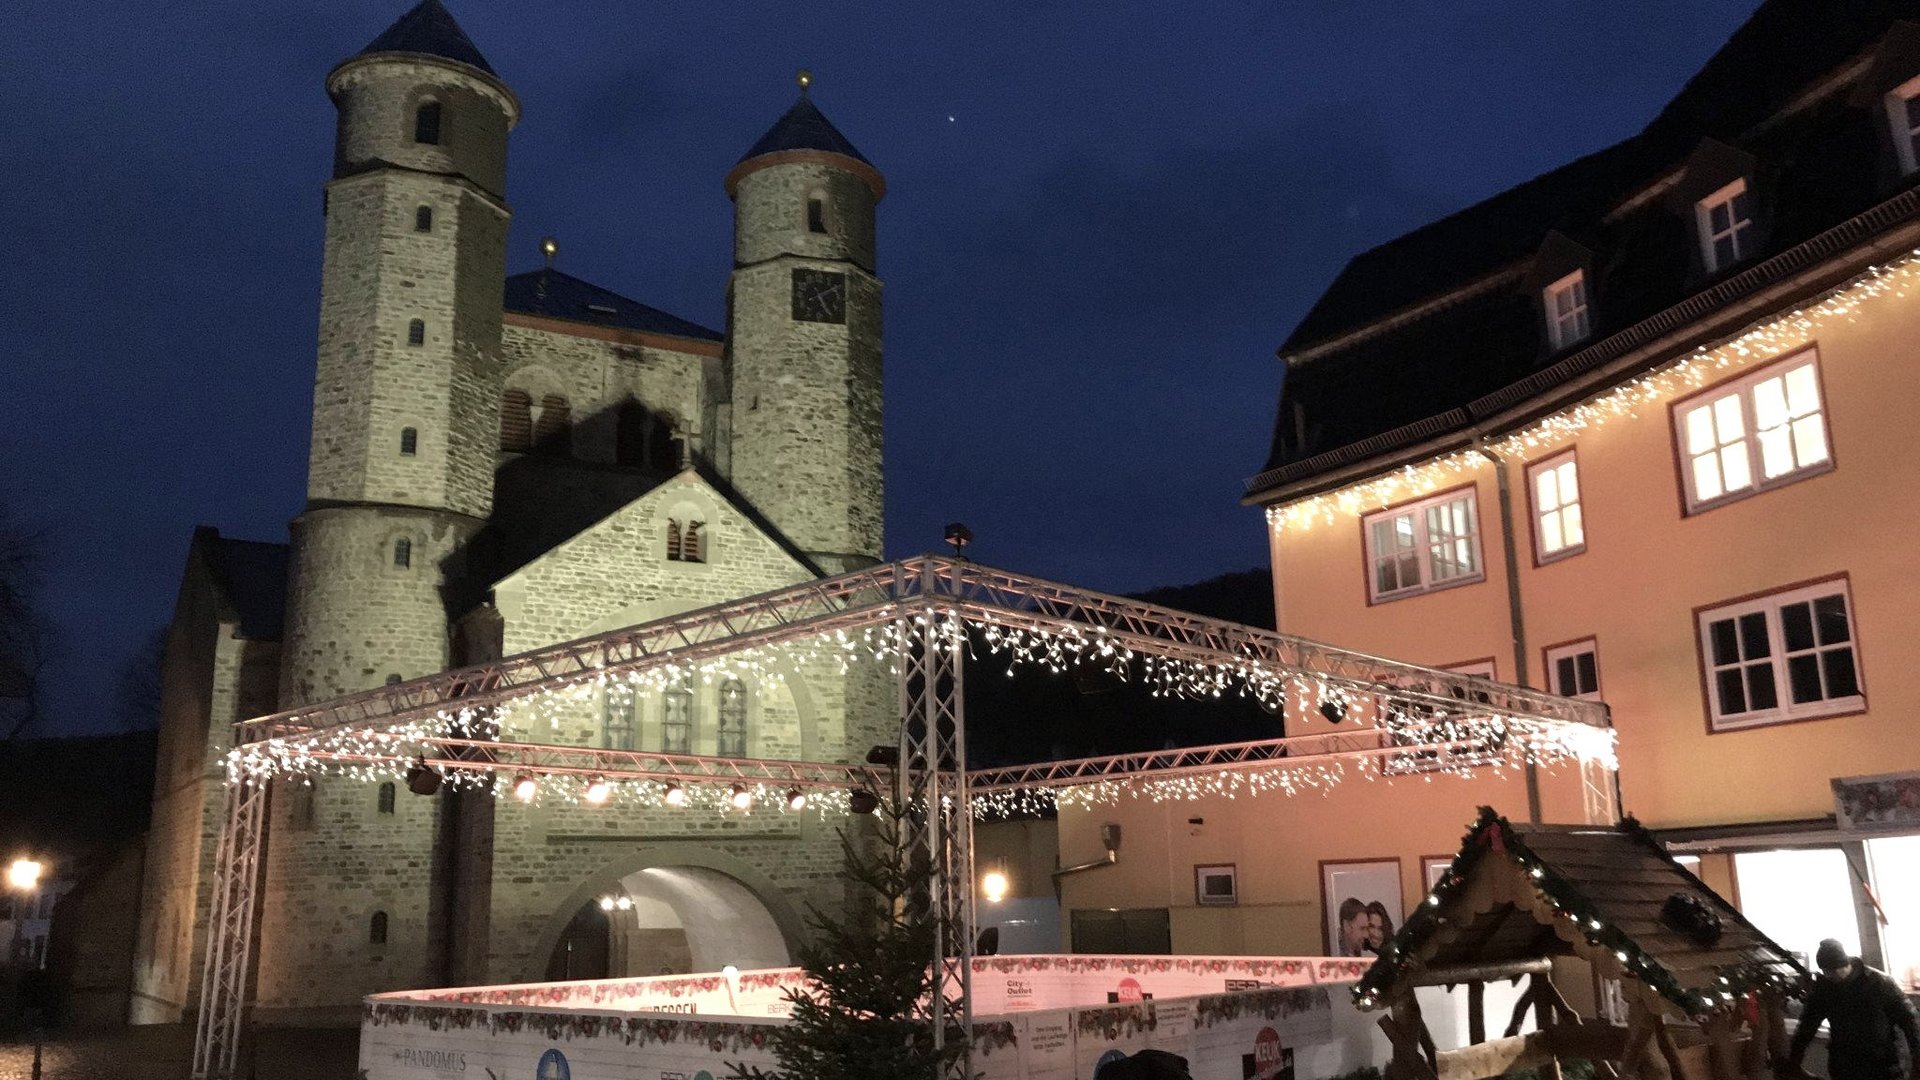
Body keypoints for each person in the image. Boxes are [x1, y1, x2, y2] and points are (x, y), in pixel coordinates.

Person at [1786, 939, 1920, 1080]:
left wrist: (1918, 1061)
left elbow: (1910, 1020)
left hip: (1883, 1066)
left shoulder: (1880, 984)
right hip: (1845, 1067)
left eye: (1831, 971)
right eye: (1824, 971)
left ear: (1843, 965)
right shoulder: (1825, 989)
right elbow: (1807, 1025)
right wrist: (1794, 1061)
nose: (1828, 975)